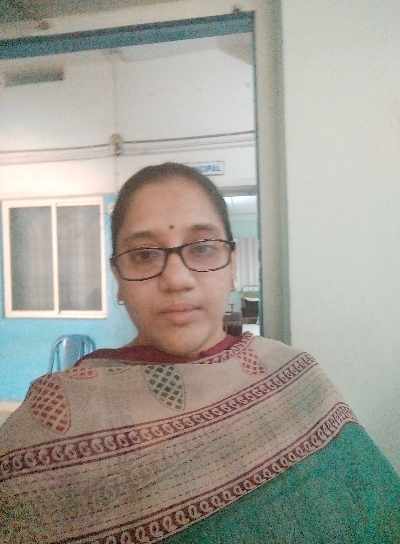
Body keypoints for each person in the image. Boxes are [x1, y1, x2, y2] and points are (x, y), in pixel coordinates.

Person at [0, 162, 399, 544]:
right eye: (144, 254)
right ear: (118, 278)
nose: (177, 279)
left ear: (231, 266)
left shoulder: (297, 377)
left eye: (203, 248)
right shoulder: (55, 417)